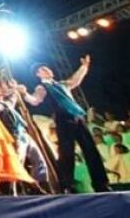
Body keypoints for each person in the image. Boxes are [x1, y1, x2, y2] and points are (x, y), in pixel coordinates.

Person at [20, 55, 109, 193]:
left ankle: (101, 184)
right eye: (43, 69)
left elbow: (75, 80)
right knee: (67, 153)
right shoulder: (42, 87)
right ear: (38, 74)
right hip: (64, 119)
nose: (48, 69)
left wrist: (84, 66)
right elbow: (35, 101)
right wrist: (25, 94)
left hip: (78, 117)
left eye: (47, 67)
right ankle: (67, 185)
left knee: (91, 150)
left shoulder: (62, 84)